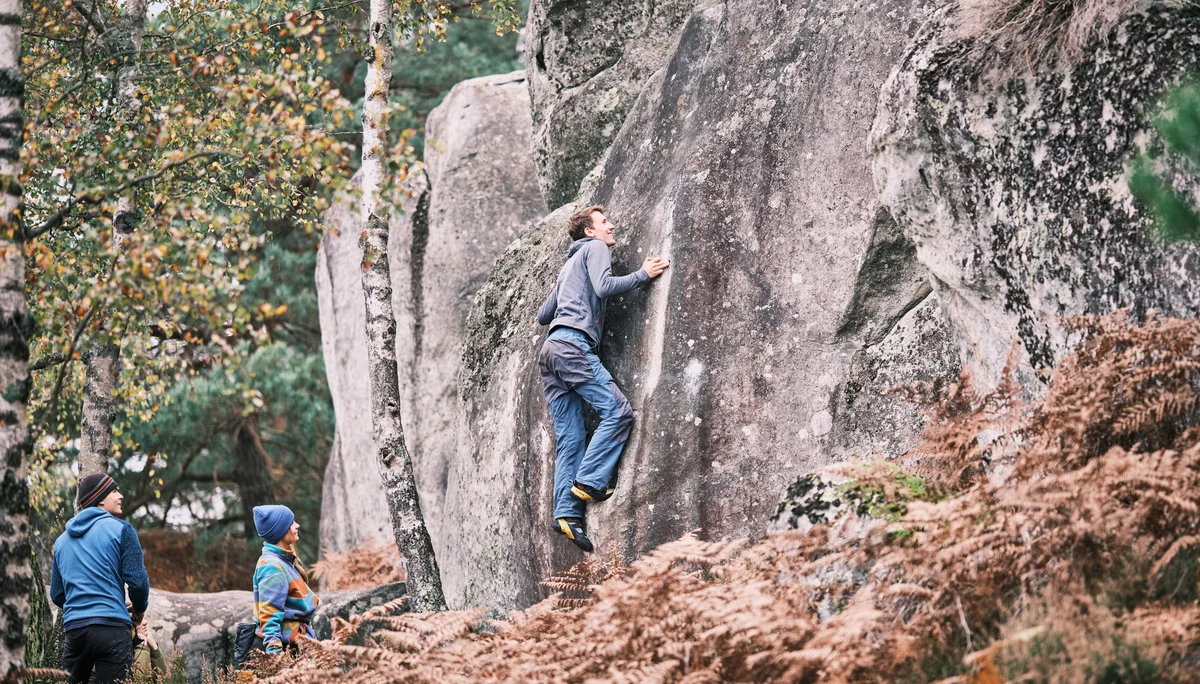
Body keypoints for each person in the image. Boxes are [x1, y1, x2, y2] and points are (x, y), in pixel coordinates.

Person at [536, 205, 670, 552]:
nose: (612, 225)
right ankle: (590, 482)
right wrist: (643, 274)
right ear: (589, 232)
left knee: (572, 437)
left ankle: (567, 514)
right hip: (573, 347)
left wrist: (570, 295)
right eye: (604, 222)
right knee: (618, 412)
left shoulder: (569, 265)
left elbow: (543, 315)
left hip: (551, 351)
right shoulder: (595, 249)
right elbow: (604, 285)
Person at [51, 473, 150, 684]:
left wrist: (83, 603)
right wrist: (139, 613)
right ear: (101, 499)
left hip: (75, 632)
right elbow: (138, 583)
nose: (120, 495)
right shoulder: (122, 530)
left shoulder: (60, 542)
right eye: (115, 491)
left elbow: (58, 594)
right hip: (111, 629)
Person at [251, 505, 319, 654]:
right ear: (280, 531)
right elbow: (269, 615)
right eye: (291, 522)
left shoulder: (281, 561)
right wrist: (275, 657)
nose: (297, 525)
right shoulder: (271, 566)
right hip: (290, 651)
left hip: (298, 645)